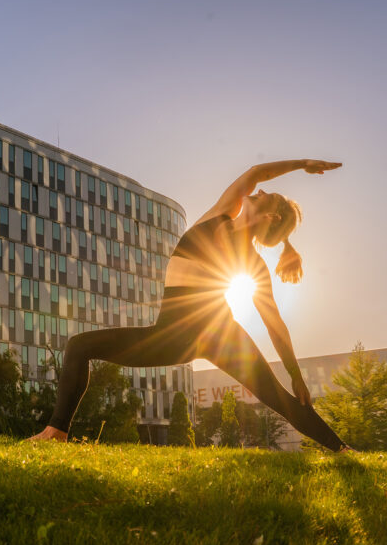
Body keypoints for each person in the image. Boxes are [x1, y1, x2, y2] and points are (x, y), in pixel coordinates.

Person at [30, 159, 351, 452]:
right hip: (169, 334)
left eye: (267, 195)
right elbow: (255, 173)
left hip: (221, 335)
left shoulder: (253, 264)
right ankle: (57, 432)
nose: (260, 189)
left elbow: (274, 324)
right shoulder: (219, 215)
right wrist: (303, 165)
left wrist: (295, 373)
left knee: (281, 399)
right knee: (78, 346)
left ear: (271, 216)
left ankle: (343, 450)